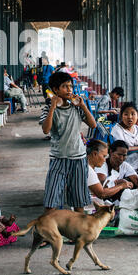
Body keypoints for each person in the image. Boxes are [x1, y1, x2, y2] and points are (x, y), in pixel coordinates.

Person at [40, 71, 97, 213]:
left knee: (79, 200)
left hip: (78, 157)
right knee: (51, 199)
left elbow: (93, 124)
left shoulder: (76, 107)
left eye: (70, 86)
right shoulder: (48, 108)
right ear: (55, 89)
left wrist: (83, 106)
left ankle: (77, 232)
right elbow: (46, 130)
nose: (69, 90)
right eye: (65, 86)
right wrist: (53, 106)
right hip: (58, 158)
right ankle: (50, 232)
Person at [111, 102, 138, 174]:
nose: (130, 117)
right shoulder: (117, 130)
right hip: (126, 162)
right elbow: (122, 149)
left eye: (133, 114)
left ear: (137, 116)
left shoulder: (137, 129)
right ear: (121, 116)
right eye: (126, 114)